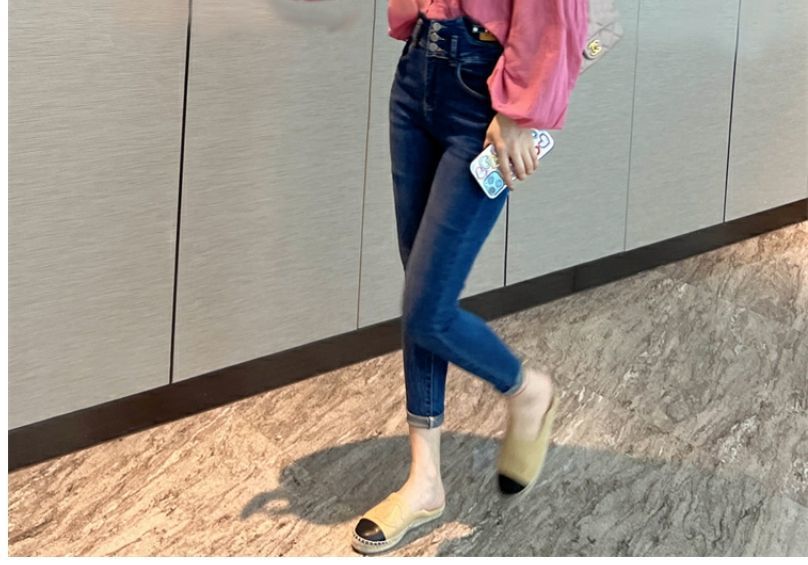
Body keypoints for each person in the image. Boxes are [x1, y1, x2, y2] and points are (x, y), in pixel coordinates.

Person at [348, 0, 589, 555]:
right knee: (418, 286)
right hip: (418, 70)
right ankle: (425, 481)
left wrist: (522, 107)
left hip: (483, 91)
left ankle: (527, 389)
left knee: (428, 310)